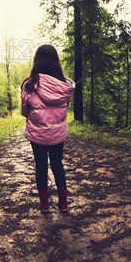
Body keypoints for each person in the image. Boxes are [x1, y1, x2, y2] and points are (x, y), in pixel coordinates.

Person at [21, 44, 75, 213]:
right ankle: (63, 203)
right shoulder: (64, 85)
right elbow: (66, 107)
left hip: (37, 134)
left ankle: (44, 205)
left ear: (36, 61)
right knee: (57, 164)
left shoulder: (30, 84)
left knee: (41, 165)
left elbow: (24, 112)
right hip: (57, 134)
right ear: (56, 61)